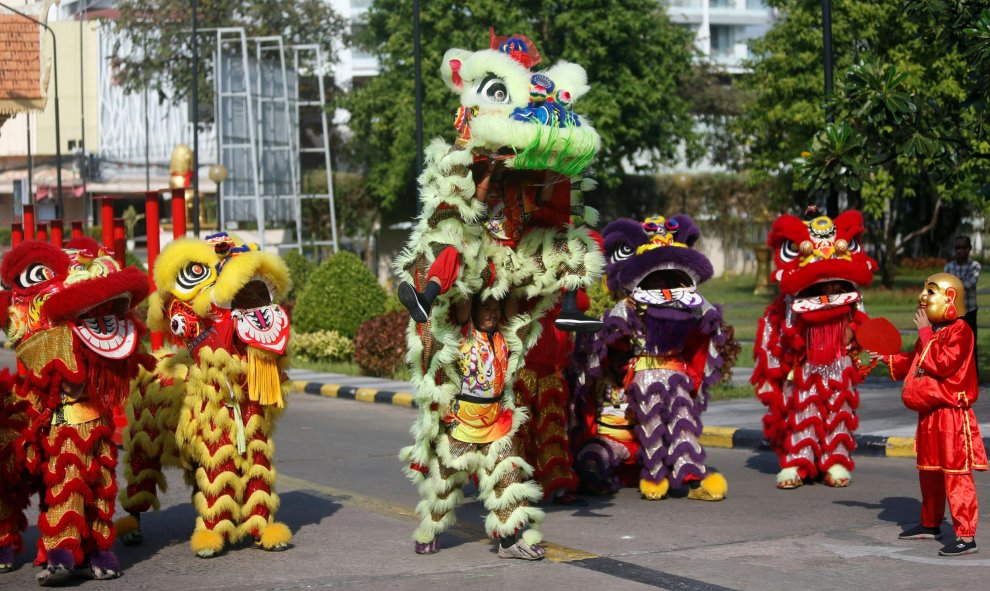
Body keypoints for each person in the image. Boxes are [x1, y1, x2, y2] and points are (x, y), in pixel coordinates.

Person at [409, 294, 546, 560]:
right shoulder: (462, 334)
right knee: (444, 486)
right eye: (486, 308)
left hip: (496, 422)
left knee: (509, 482)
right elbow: (462, 301)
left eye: (496, 309)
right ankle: (430, 531)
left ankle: (510, 541)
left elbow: (518, 309)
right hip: (462, 425)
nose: (493, 314)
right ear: (472, 311)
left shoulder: (506, 335)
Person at [873, 273, 986, 556]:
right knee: (929, 472)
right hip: (929, 414)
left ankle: (965, 534)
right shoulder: (934, 333)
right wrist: (887, 358)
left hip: (950, 415)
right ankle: (930, 523)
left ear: (950, 298)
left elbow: (944, 364)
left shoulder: (960, 331)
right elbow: (915, 362)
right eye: (924, 290)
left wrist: (924, 333)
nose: (923, 297)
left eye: (931, 291)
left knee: (956, 475)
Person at [944, 236, 980, 369]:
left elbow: (970, 284)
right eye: (958, 248)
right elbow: (946, 287)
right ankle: (955, 374)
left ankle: (973, 376)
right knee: (953, 344)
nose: (961, 251)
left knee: (971, 344)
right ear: (955, 250)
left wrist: (955, 283)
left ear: (970, 249)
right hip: (953, 312)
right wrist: (958, 283)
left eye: (964, 247)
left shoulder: (974, 266)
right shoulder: (949, 266)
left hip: (969, 310)